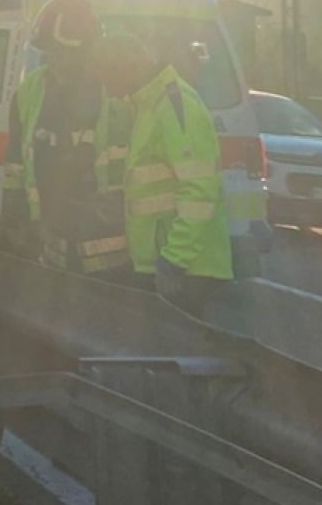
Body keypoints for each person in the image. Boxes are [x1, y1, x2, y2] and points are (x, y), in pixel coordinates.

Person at [85, 32, 235, 320]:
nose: (109, 90)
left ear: (130, 65)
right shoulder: (148, 104)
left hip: (185, 269)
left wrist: (173, 261)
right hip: (165, 264)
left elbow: (200, 191)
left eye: (109, 78)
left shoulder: (175, 104)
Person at [0, 0, 131, 278]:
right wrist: (13, 212)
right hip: (54, 246)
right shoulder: (30, 92)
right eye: (49, 52)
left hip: (114, 252)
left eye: (62, 53)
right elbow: (16, 163)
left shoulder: (117, 90)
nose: (55, 62)